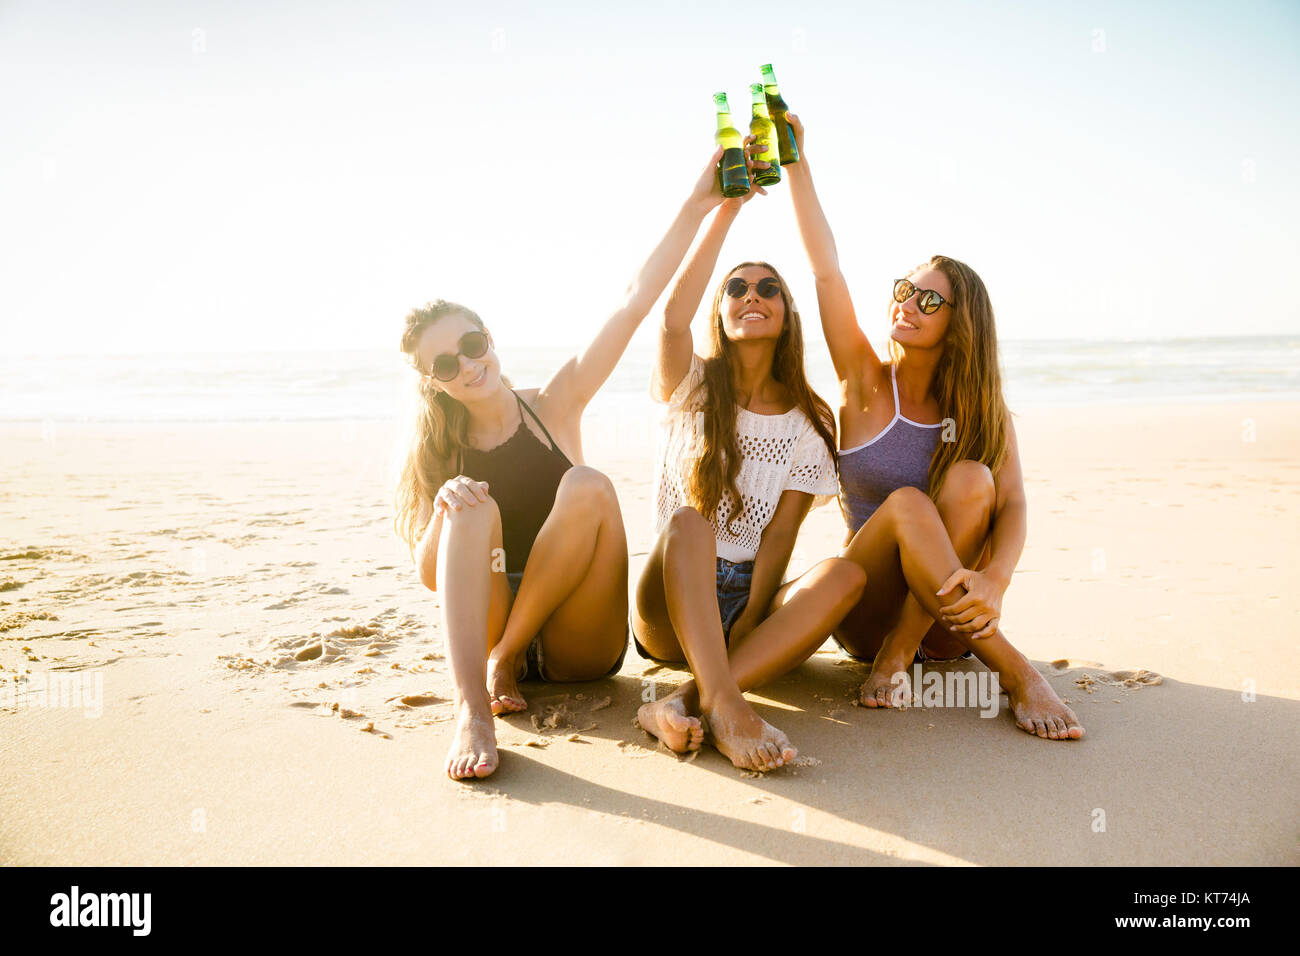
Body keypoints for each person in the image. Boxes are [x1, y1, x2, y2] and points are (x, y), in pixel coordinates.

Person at [394, 146, 765, 780]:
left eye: (472, 344)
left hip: (577, 640)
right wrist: (447, 510)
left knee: (587, 484)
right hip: (487, 624)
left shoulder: (556, 405)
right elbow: (432, 574)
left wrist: (709, 205)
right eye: (447, 365)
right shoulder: (441, 450)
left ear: (490, 337)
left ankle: (505, 659)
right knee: (468, 505)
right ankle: (473, 708)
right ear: (435, 384)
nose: (469, 364)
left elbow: (633, 302)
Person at [784, 112, 1084, 740]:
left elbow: (1016, 502)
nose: (906, 305)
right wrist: (797, 164)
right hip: (865, 614)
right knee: (908, 503)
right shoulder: (864, 382)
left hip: (950, 627)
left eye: (928, 301)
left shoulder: (977, 405)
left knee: (974, 478)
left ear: (959, 322)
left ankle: (910, 651)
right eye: (903, 290)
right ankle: (1012, 670)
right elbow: (826, 272)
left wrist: (996, 580)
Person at [630, 152, 869, 772]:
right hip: (671, 594)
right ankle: (727, 705)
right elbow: (671, 315)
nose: (751, 295)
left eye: (768, 288)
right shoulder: (692, 385)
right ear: (722, 310)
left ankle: (681, 701)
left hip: (745, 601)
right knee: (690, 522)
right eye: (736, 288)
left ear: (787, 312)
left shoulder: (808, 419)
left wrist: (753, 622)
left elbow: (781, 538)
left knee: (845, 574)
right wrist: (727, 207)